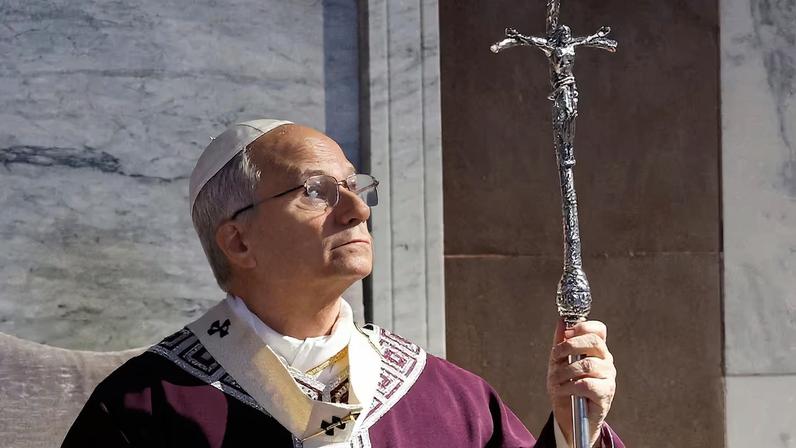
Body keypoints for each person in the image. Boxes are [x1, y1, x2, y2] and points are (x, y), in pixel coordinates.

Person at [62, 119, 622, 447]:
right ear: (238, 241)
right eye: (315, 191)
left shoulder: (445, 398)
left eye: (356, 188)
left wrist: (578, 434)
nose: (356, 210)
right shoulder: (144, 411)